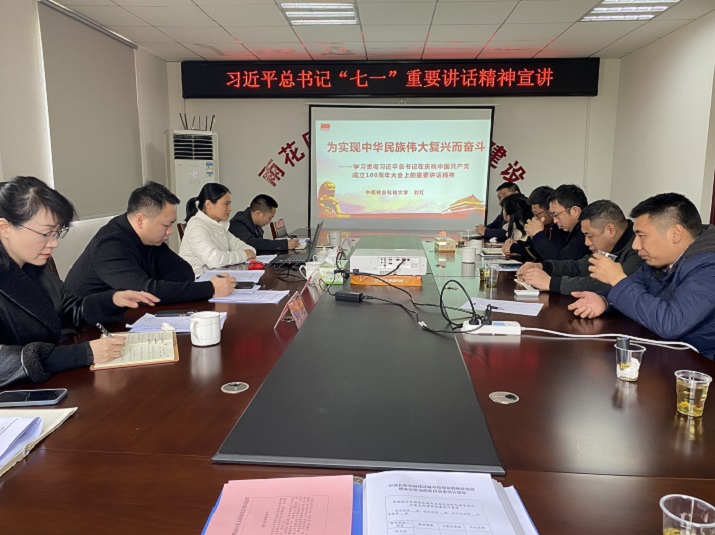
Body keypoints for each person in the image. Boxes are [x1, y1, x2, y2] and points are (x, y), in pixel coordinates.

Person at [0, 176, 159, 387]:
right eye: (46, 233)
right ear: (5, 227)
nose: (54, 243)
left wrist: (111, 300)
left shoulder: (34, 267)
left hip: (50, 384)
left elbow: (68, 309)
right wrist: (82, 354)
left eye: (57, 233)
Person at [569, 193, 715, 359]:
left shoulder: (709, 266)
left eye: (642, 235)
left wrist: (617, 279)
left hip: (701, 364)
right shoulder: (660, 259)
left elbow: (671, 323)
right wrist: (604, 301)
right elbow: (635, 285)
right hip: (666, 352)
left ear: (675, 233)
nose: (635, 245)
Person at [65, 181, 236, 304]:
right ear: (140, 220)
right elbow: (146, 292)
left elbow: (183, 272)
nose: (170, 231)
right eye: (166, 225)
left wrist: (162, 289)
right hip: (86, 329)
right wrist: (210, 288)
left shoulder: (150, 240)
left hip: (125, 315)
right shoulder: (110, 244)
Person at [517, 200, 643, 295]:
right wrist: (543, 266)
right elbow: (580, 267)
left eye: (589, 236)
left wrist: (550, 283)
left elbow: (609, 284)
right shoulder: (608, 245)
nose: (587, 243)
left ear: (610, 230)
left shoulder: (638, 250)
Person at [179, 183, 256, 277]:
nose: (230, 209)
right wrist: (244, 255)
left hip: (216, 277)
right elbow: (214, 260)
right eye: (226, 204)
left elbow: (247, 249)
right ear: (208, 204)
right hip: (197, 280)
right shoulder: (196, 226)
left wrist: (247, 253)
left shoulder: (219, 225)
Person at [508, 186, 568, 262]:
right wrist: (515, 243)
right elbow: (530, 245)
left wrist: (514, 247)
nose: (535, 217)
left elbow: (542, 255)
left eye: (536, 213)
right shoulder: (545, 224)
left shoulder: (560, 227)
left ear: (549, 210)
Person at [229, 194, 300, 252]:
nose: (270, 221)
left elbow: (261, 244)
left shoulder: (256, 224)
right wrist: (284, 244)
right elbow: (251, 243)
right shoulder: (238, 222)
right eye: (270, 218)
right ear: (259, 213)